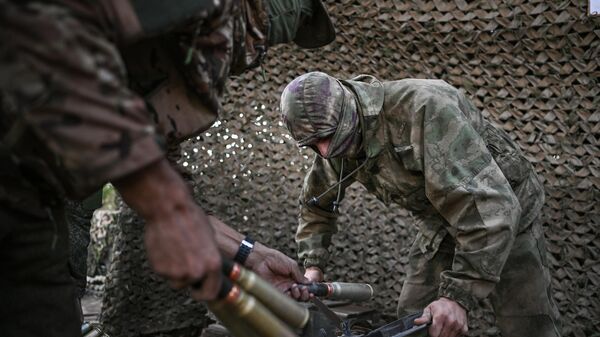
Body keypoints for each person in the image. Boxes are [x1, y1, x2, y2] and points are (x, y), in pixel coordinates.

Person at [0, 1, 333, 336]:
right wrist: (165, 207)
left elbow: (157, 174)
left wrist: (250, 255)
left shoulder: (176, 54)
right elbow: (41, 33)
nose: (252, 58)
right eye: (258, 37)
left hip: (27, 194)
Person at [280, 72, 562, 337]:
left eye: (330, 137)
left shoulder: (424, 109)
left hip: (503, 211)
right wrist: (313, 266)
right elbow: (317, 203)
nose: (326, 151)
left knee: (526, 322)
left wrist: (456, 297)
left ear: (348, 113)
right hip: (439, 220)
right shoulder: (333, 140)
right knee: (414, 320)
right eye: (315, 144)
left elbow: (490, 208)